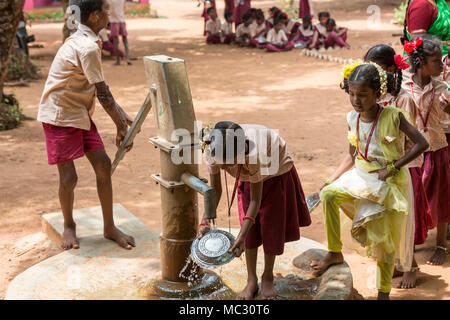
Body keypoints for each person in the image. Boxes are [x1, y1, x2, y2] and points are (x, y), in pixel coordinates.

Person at [311, 61, 429, 300]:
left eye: (363, 95)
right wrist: (330, 179)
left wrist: (394, 167)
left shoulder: (394, 116)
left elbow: (422, 143)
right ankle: (335, 252)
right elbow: (351, 154)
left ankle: (383, 292)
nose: (356, 100)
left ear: (378, 94)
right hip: (362, 176)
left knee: (383, 240)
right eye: (352, 94)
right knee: (329, 194)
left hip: (389, 182)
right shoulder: (351, 117)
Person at [37, 0, 136, 251]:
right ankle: (69, 225)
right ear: (93, 16)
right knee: (69, 177)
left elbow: (99, 87)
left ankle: (109, 227)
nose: (108, 13)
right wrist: (120, 126)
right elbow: (103, 93)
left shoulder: (87, 38)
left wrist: (122, 115)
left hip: (78, 112)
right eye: (104, 9)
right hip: (58, 115)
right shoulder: (87, 46)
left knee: (103, 164)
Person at [198, 122, 311, 300]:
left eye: (228, 164)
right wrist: (205, 220)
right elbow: (216, 190)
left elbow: (255, 200)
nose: (224, 168)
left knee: (271, 226)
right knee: (248, 227)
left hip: (275, 171)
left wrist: (241, 236)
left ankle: (267, 277)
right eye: (221, 164)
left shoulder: (252, 155)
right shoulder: (212, 149)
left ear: (240, 153)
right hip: (249, 174)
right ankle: (251, 280)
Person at [364, 44, 425, 289]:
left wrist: (397, 165)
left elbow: (414, 142)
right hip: (382, 167)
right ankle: (398, 262)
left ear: (390, 69)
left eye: (375, 67)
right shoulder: (374, 97)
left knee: (404, 215)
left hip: (405, 166)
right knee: (388, 217)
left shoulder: (403, 99)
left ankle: (411, 265)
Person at [403, 34, 450, 266]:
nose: (441, 65)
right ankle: (408, 244)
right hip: (412, 153)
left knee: (440, 199)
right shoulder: (402, 84)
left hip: (437, 147)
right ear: (420, 61)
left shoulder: (442, 87)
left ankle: (441, 244)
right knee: (412, 198)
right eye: (436, 60)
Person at [107, 0, 131, 65]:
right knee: (125, 40)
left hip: (114, 21)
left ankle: (118, 60)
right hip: (122, 20)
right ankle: (127, 58)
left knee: (115, 41)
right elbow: (123, 8)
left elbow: (106, 8)